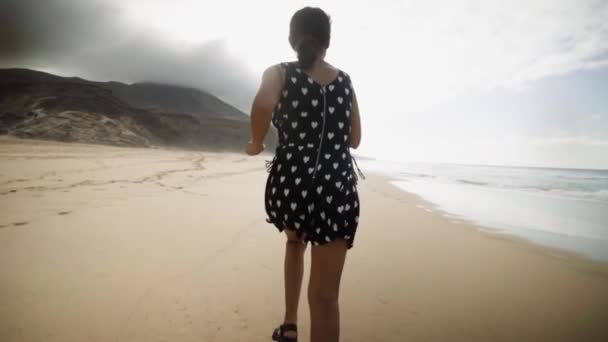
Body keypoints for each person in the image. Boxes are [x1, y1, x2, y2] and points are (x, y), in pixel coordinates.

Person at [245, 6, 364, 342]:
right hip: (336, 187)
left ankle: (289, 324)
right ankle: (294, 325)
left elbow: (263, 105)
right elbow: (355, 139)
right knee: (326, 299)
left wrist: (255, 142)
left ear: (291, 39)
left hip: (293, 183)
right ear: (328, 42)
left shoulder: (279, 72)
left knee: (295, 244)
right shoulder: (344, 81)